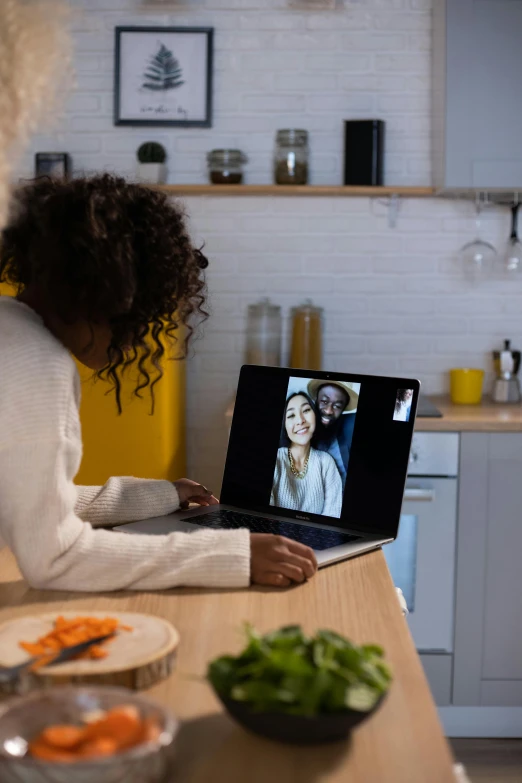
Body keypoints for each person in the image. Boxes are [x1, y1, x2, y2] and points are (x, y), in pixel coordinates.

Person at [0, 174, 317, 592]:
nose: (138, 335)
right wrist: (234, 555)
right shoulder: (37, 361)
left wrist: (159, 496)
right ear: (113, 297)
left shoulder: (9, 327)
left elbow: (27, 502)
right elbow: (55, 558)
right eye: (146, 314)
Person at [271, 392, 342, 518]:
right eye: (291, 415)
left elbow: (333, 515)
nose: (300, 420)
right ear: (284, 426)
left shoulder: (326, 462)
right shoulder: (276, 460)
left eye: (306, 410)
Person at [307, 380, 359, 489]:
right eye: (324, 401)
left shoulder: (350, 426)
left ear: (343, 409)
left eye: (337, 406)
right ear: (316, 400)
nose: (328, 411)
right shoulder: (300, 428)